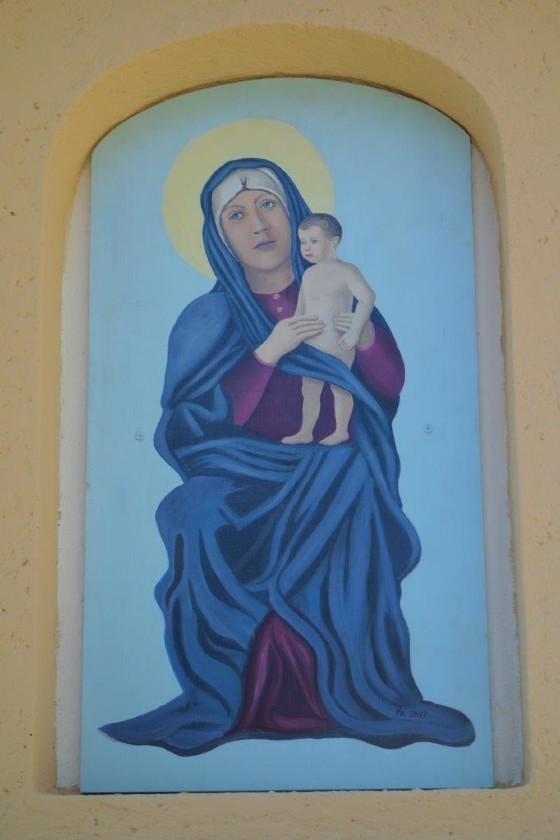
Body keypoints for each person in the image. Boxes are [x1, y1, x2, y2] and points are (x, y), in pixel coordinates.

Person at [101, 158, 475, 756]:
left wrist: (360, 331)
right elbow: (187, 421)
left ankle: (352, 690)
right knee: (192, 510)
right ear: (219, 237)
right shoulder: (207, 317)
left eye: (268, 204)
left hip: (325, 457)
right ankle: (225, 694)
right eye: (236, 215)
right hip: (235, 468)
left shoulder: (336, 289)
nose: (258, 223)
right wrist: (267, 354)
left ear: (299, 216)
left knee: (348, 471)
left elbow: (388, 384)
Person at [282, 212, 376, 446]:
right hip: (311, 344)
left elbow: (367, 297)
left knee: (340, 388)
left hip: (338, 343)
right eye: (303, 242)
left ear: (333, 242)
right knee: (309, 389)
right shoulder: (309, 274)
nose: (306, 248)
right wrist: (293, 335)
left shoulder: (346, 270)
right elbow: (301, 308)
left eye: (314, 241)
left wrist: (354, 332)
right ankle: (306, 431)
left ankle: (341, 431)